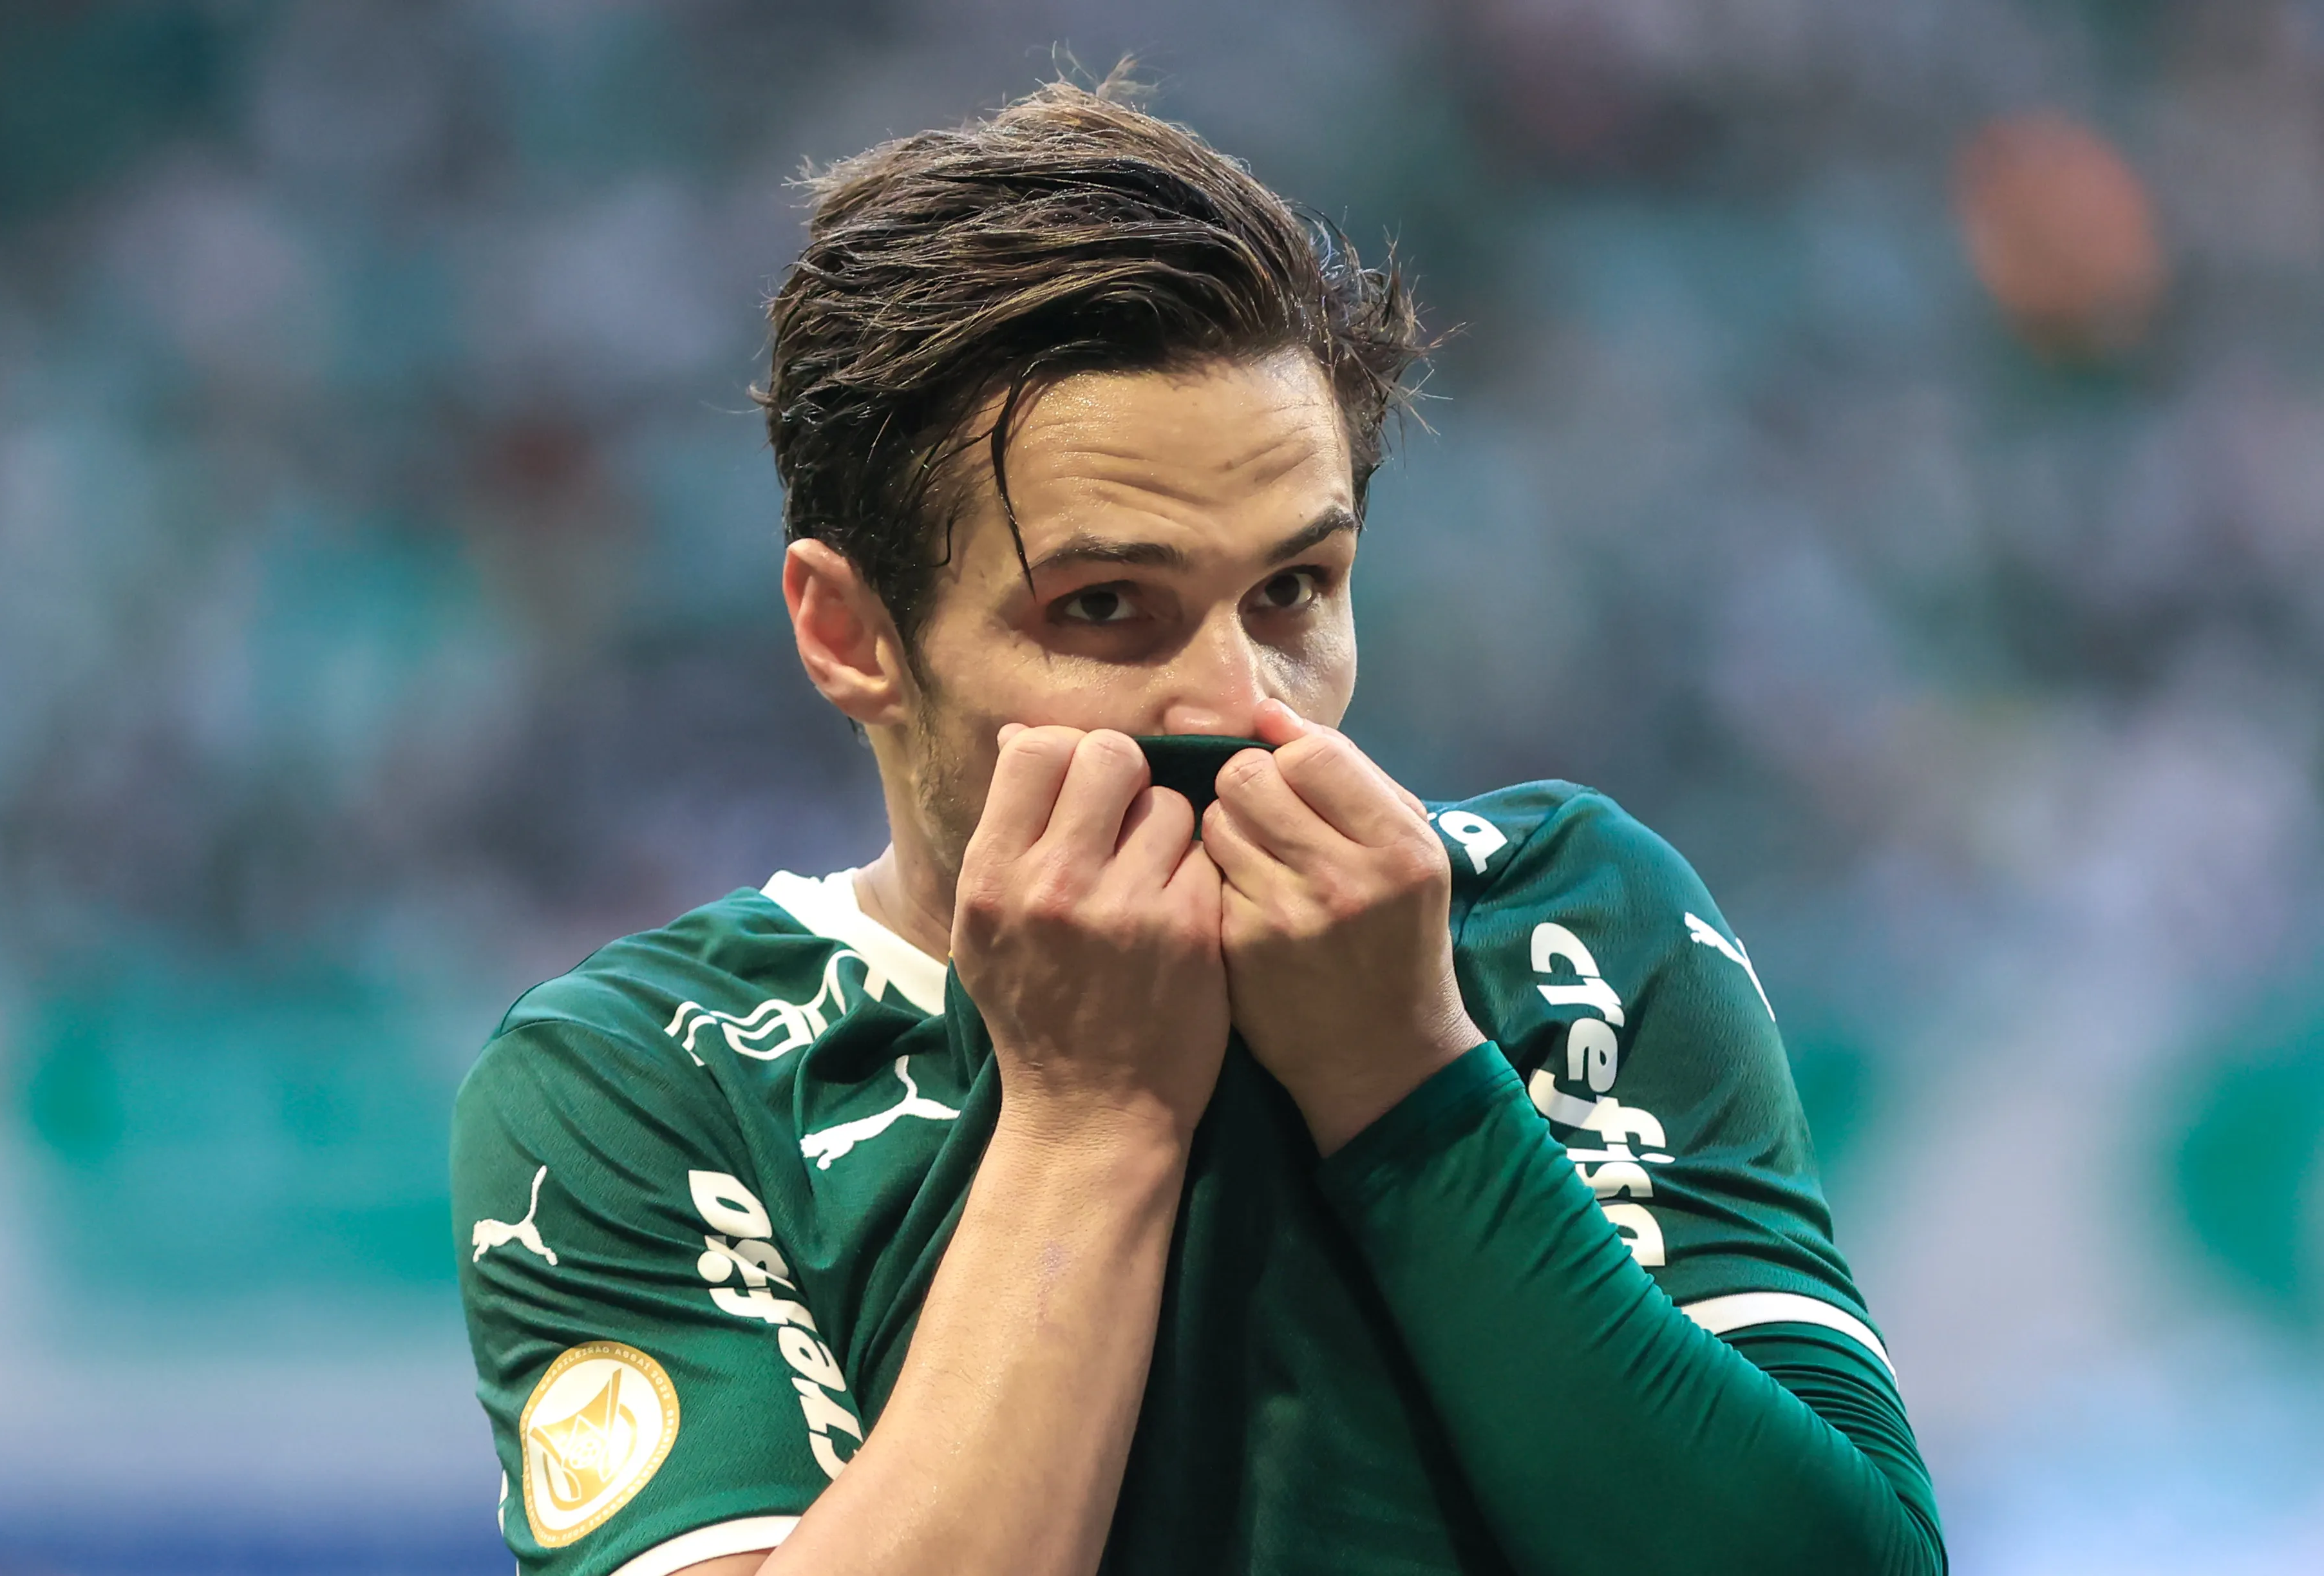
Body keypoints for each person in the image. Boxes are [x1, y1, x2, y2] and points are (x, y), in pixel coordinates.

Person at [451, 77, 1947, 1576]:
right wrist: (1088, 1120)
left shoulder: (1563, 917)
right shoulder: (645, 1076)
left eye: (1293, 590)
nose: (1230, 702)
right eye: (1104, 608)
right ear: (849, 633)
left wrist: (1409, 1076)